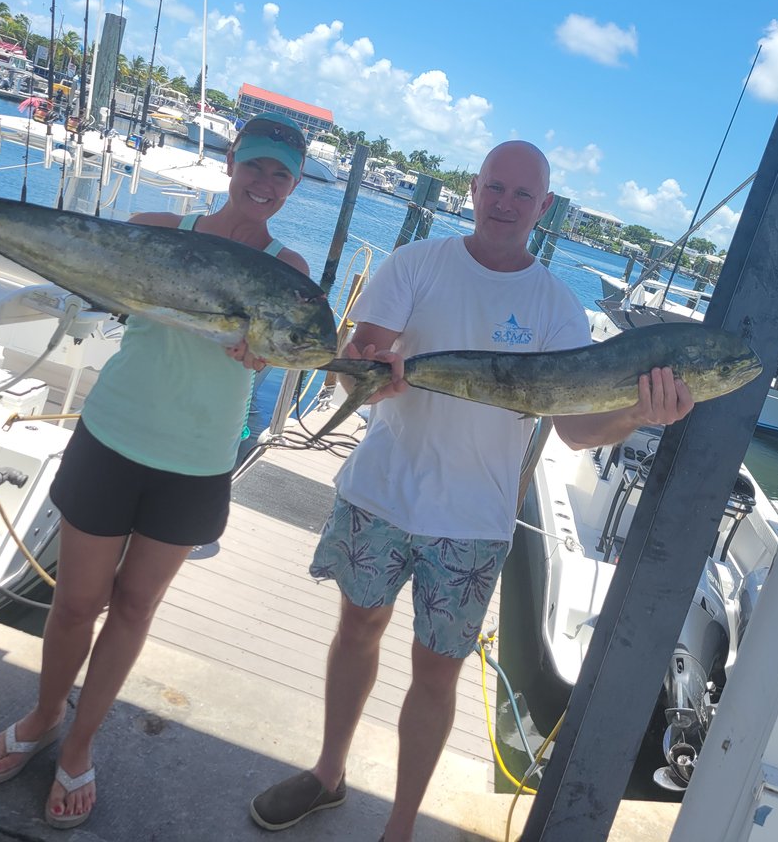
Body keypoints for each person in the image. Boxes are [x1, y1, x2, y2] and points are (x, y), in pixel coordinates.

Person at [249, 140, 695, 840]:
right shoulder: (414, 263)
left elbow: (576, 432)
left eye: (521, 195)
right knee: (355, 630)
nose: (504, 203)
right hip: (380, 493)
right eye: (494, 187)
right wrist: (368, 368)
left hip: (473, 522)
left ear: (543, 208)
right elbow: (358, 374)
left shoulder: (556, 309)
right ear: (473, 189)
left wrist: (643, 412)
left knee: (436, 671)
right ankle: (327, 774)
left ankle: (399, 827)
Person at [0, 112, 313, 830]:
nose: (264, 183)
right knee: (77, 604)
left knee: (135, 609)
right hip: (113, 435)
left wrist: (272, 353)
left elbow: (299, 345)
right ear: (230, 161)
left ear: (293, 187)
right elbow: (67, 254)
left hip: (196, 462)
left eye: (280, 174)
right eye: (255, 164)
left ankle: (79, 743)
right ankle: (45, 714)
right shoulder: (156, 226)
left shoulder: (286, 277)